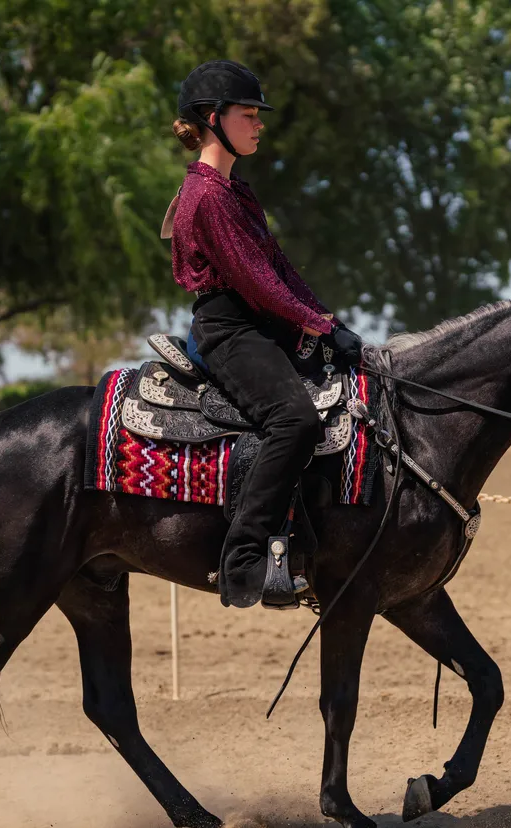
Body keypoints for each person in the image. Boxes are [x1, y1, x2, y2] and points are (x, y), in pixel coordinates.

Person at [164, 59, 364, 608]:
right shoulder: (207, 198)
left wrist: (332, 324)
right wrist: (319, 325)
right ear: (212, 117)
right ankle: (244, 557)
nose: (258, 124)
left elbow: (280, 270)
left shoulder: (235, 192)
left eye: (257, 115)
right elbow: (257, 282)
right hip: (229, 330)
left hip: (258, 324)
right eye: (248, 114)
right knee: (294, 421)